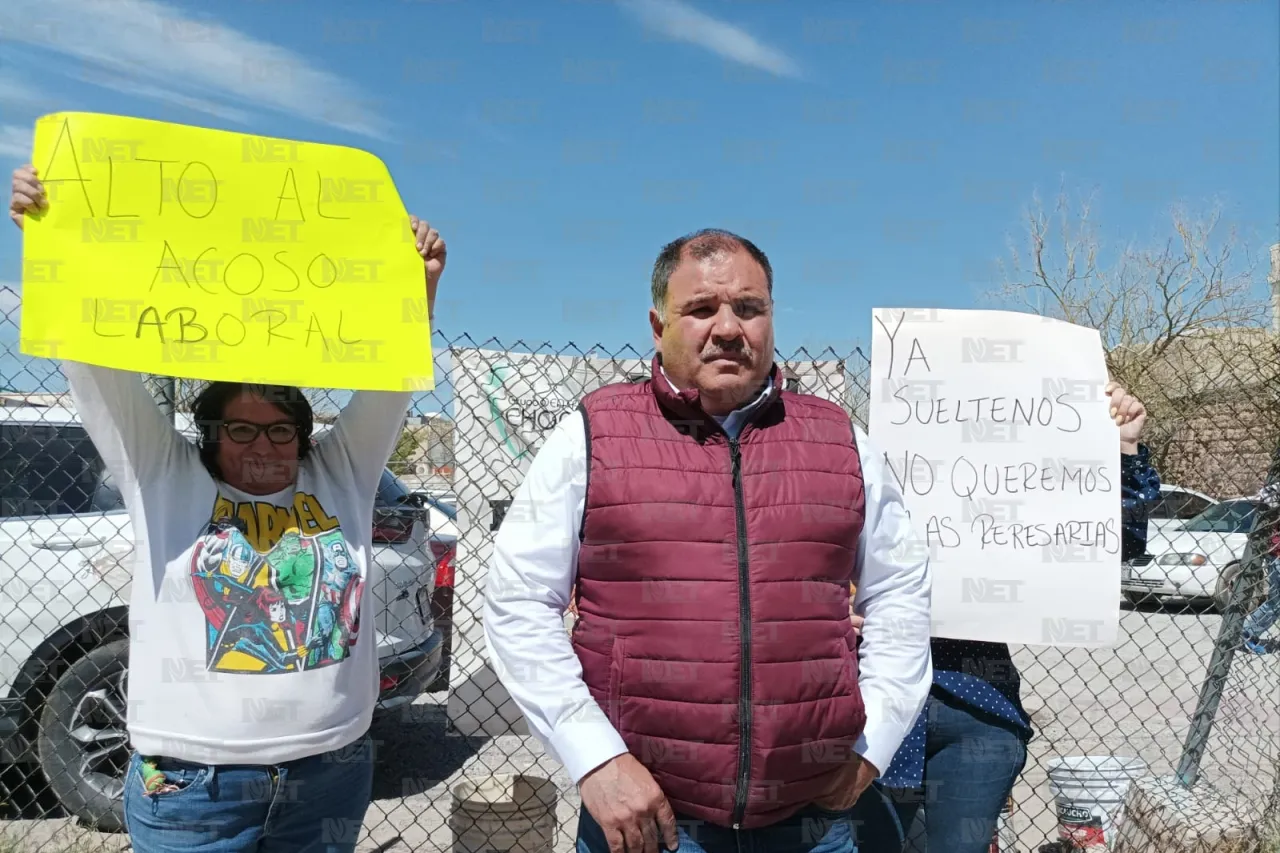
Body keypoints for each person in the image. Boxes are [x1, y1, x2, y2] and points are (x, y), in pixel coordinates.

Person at [9, 164, 447, 852]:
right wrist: (55, 242)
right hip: (194, 790)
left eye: (280, 429)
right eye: (241, 429)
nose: (263, 445)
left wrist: (417, 290)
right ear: (211, 433)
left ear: (303, 435)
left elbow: (391, 381)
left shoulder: (341, 476)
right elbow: (98, 373)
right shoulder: (164, 480)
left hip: (329, 775)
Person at [483, 228, 933, 853]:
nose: (727, 328)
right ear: (657, 324)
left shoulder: (841, 441)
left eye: (748, 308)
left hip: (813, 820)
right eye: (700, 309)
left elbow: (899, 591)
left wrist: (874, 741)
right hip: (649, 820)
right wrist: (594, 758)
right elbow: (518, 602)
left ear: (772, 318)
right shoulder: (593, 434)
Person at [849, 383, 1161, 852]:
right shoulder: (860, 476)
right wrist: (832, 609)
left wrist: (1122, 447)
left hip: (978, 704)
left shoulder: (1014, 490)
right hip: (873, 710)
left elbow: (1118, 543)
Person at [1242, 482, 1280, 655]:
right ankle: (1247, 633)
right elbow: (1263, 497)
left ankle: (1248, 632)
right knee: (1276, 602)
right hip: (1278, 554)